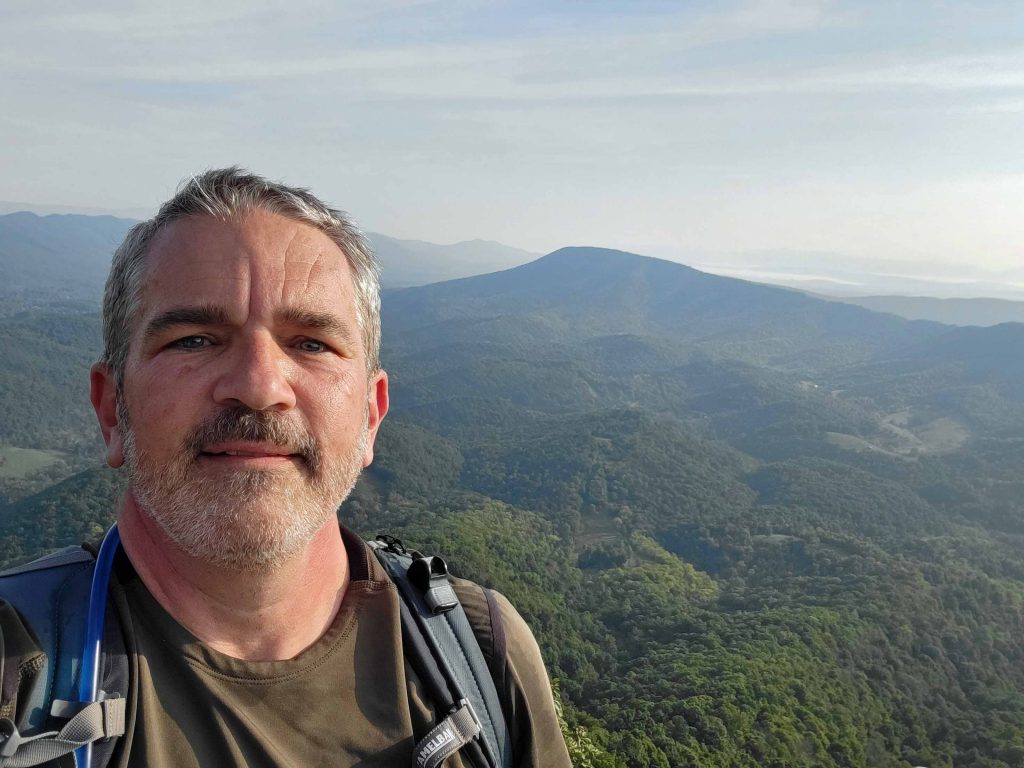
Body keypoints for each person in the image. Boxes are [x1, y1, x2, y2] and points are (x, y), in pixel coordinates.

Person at [0, 168, 571, 767]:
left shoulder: (483, 653)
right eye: (194, 339)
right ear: (112, 407)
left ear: (370, 418)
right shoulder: (18, 669)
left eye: (311, 344)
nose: (258, 386)